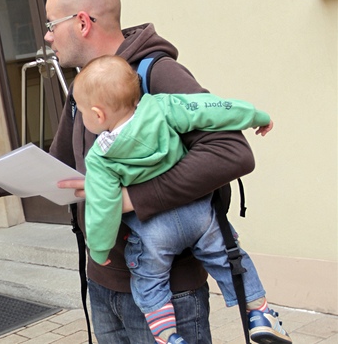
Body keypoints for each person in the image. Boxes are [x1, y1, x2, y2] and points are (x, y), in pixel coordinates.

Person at [0, 0, 256, 342]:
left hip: (166, 295)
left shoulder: (156, 73)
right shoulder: (88, 85)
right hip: (103, 284)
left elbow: (232, 152)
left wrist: (129, 198)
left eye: (51, 25)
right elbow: (57, 162)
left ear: (81, 22)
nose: (46, 36)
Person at [74, 55, 290, 344]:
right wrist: (257, 116)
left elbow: (103, 209)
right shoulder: (163, 107)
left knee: (149, 281)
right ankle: (259, 313)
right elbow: (214, 110)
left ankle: (168, 335)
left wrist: (100, 251)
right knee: (229, 260)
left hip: (153, 232)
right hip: (198, 215)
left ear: (98, 115)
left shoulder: (100, 157)